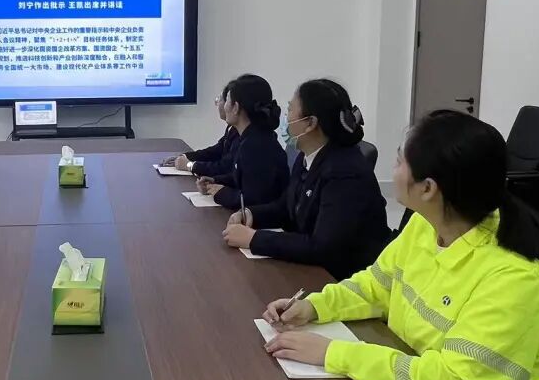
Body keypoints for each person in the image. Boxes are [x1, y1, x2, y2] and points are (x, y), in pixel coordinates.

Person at [261, 110, 539, 380]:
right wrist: (315, 306)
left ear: (428, 188)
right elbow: (376, 285)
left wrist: (333, 354)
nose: (392, 170)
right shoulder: (426, 224)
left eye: (399, 161)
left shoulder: (514, 277)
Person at [222, 79, 388, 279]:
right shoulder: (308, 156)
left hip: (342, 278)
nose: (286, 117)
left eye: (290, 110)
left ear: (311, 123)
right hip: (312, 268)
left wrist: (254, 239)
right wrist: (251, 214)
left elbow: (322, 247)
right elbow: (287, 207)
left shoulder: (345, 172)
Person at [196, 74, 288, 210]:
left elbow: (253, 199)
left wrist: (221, 193)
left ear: (236, 107)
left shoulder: (256, 145)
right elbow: (243, 178)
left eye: (227, 101)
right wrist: (216, 181)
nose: (223, 106)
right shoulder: (250, 138)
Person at [161, 84, 238, 180]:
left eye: (220, 100)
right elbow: (216, 151)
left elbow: (224, 167)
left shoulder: (244, 137)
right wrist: (185, 157)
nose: (217, 104)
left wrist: (190, 165)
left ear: (235, 106)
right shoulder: (232, 128)